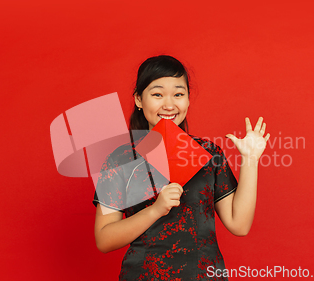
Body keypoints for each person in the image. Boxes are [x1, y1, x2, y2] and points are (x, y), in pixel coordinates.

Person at [92, 55, 270, 280]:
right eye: (157, 94)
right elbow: (104, 239)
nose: (169, 105)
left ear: (187, 99)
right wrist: (156, 210)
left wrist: (250, 160)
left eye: (178, 94)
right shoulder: (120, 160)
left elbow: (239, 224)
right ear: (138, 99)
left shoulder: (209, 154)